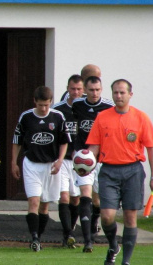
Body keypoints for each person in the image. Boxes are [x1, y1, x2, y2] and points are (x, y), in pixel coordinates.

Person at [85, 79, 153, 265]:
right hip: (108, 170)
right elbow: (94, 146)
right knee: (107, 216)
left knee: (129, 217)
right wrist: (85, 163)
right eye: (115, 93)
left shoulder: (141, 118)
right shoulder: (102, 117)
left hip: (133, 170)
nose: (118, 96)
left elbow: (151, 149)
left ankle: (126, 262)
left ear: (130, 95)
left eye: (122, 93)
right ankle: (113, 246)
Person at [12, 86, 70, 251]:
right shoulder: (26, 117)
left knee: (45, 205)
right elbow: (16, 140)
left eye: (46, 105)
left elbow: (64, 141)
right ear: (35, 102)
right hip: (31, 164)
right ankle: (34, 238)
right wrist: (13, 162)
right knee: (34, 201)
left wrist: (60, 161)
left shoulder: (58, 117)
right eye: (40, 105)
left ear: (51, 102)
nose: (44, 108)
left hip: (51, 165)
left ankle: (39, 234)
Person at [71, 76, 114, 252]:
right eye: (91, 90)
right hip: (84, 158)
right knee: (85, 195)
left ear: (101, 89)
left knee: (97, 200)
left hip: (102, 159)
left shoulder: (109, 107)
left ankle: (94, 220)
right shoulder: (78, 105)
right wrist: (75, 149)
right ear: (85, 90)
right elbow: (73, 130)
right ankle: (88, 241)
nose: (94, 93)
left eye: (97, 90)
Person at [52, 75, 85, 247]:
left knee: (76, 199)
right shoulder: (58, 109)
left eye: (79, 89)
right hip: (63, 159)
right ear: (68, 88)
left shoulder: (87, 109)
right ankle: (68, 234)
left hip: (81, 161)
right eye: (73, 89)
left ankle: (70, 230)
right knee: (63, 196)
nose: (76, 92)